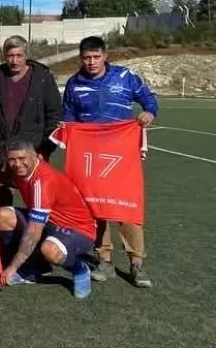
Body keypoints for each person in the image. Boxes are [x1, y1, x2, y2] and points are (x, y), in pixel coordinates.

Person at [62, 35, 158, 288]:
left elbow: (148, 99)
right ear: (81, 58)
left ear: (105, 56)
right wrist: (66, 127)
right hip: (90, 156)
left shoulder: (125, 76)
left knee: (127, 209)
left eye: (96, 57)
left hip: (121, 154)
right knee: (96, 209)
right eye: (86, 58)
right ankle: (104, 260)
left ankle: (137, 264)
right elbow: (68, 116)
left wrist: (149, 112)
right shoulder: (74, 83)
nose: (91, 62)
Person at [0, 139, 96, 299]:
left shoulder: (43, 181)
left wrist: (12, 268)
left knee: (50, 250)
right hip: (49, 223)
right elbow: (9, 180)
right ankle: (36, 267)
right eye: (12, 160)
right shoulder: (22, 171)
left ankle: (80, 269)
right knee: (3, 215)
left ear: (35, 156)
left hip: (78, 230)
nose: (17, 164)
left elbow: (34, 231)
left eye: (22, 159)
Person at [0, 35, 61, 207]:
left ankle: (38, 233)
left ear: (26, 56)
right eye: (10, 56)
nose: (14, 60)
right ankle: (4, 233)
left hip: (33, 151)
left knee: (37, 203)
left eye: (19, 56)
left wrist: (46, 150)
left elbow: (54, 117)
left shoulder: (43, 78)